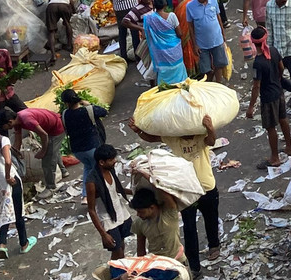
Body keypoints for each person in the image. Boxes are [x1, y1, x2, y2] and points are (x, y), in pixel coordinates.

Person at [128, 112, 221, 274]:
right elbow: (153, 138)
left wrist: (210, 128)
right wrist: (138, 131)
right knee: (189, 229)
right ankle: (194, 267)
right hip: (185, 191)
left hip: (207, 187)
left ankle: (214, 245)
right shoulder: (174, 139)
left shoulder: (200, 136)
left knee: (211, 219)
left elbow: (211, 141)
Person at [0, 112, 37, 259]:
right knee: (18, 212)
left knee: (3, 211)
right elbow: (8, 161)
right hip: (9, 181)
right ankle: (24, 243)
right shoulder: (2, 140)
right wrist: (8, 176)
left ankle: (2, 244)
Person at [247, 27, 291, 169]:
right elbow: (281, 67)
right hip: (279, 91)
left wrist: (251, 107)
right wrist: (278, 78)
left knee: (270, 127)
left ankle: (274, 157)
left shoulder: (258, 62)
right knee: (283, 119)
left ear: (253, 42)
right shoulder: (273, 51)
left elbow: (256, 86)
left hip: (268, 97)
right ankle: (289, 147)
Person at [0, 106, 64, 200]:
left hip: (56, 129)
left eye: (3, 126)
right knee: (52, 151)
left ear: (10, 121)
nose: (5, 129)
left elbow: (44, 135)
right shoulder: (18, 120)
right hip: (50, 126)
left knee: (47, 159)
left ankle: (51, 187)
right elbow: (18, 139)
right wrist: (15, 154)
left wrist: (43, 151)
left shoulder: (27, 120)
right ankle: (63, 170)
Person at [85, 143, 132, 260]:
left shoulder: (110, 170)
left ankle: (122, 271)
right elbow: (91, 210)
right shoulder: (91, 182)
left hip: (120, 212)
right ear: (101, 162)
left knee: (121, 244)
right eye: (111, 160)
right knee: (117, 251)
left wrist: (135, 191)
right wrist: (104, 234)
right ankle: (115, 274)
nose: (115, 161)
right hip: (107, 219)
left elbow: (116, 189)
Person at [60, 88, 107, 200]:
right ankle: (104, 193)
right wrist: (88, 104)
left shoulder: (65, 114)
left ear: (66, 103)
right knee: (99, 170)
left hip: (77, 150)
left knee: (88, 168)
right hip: (92, 147)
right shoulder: (88, 110)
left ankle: (86, 196)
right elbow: (104, 112)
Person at [186, 0, 228, 83]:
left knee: (219, 65)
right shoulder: (190, 6)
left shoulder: (213, 0)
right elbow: (190, 27)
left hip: (217, 40)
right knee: (206, 70)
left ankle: (219, 85)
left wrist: (223, 35)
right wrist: (194, 45)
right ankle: (209, 87)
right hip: (202, 44)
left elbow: (218, 18)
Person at [129, 187, 184, 264]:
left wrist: (148, 176)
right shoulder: (139, 223)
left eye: (141, 212)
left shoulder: (169, 214)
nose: (138, 215)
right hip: (156, 263)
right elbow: (141, 249)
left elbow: (165, 193)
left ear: (152, 207)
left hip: (177, 261)